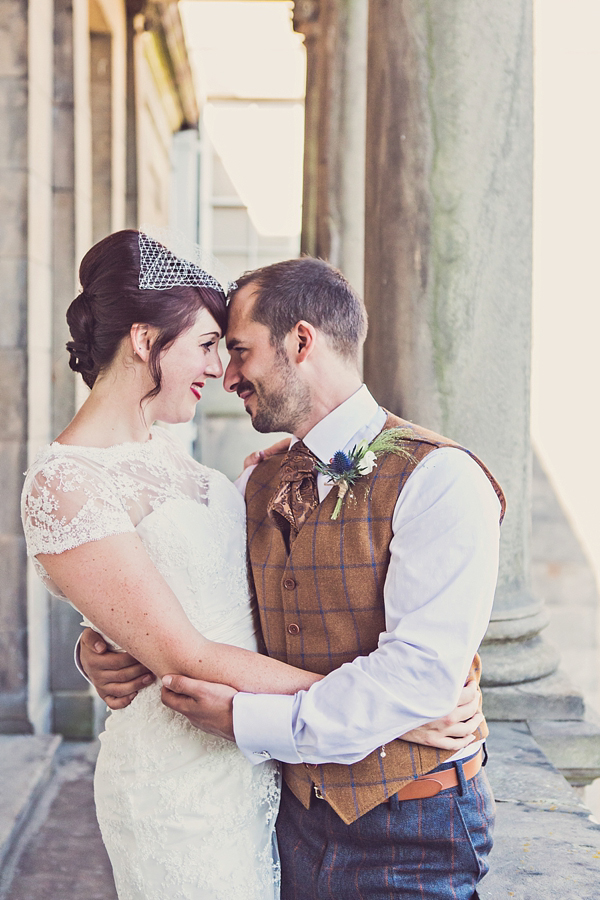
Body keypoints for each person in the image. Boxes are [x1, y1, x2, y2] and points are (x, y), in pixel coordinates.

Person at [22, 232, 478, 900]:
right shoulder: (85, 480)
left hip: (304, 790)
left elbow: (198, 593)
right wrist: (402, 714)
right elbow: (182, 643)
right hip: (190, 786)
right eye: (209, 347)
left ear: (300, 343)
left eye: (230, 349)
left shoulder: (196, 462)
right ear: (147, 341)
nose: (222, 372)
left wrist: (102, 647)